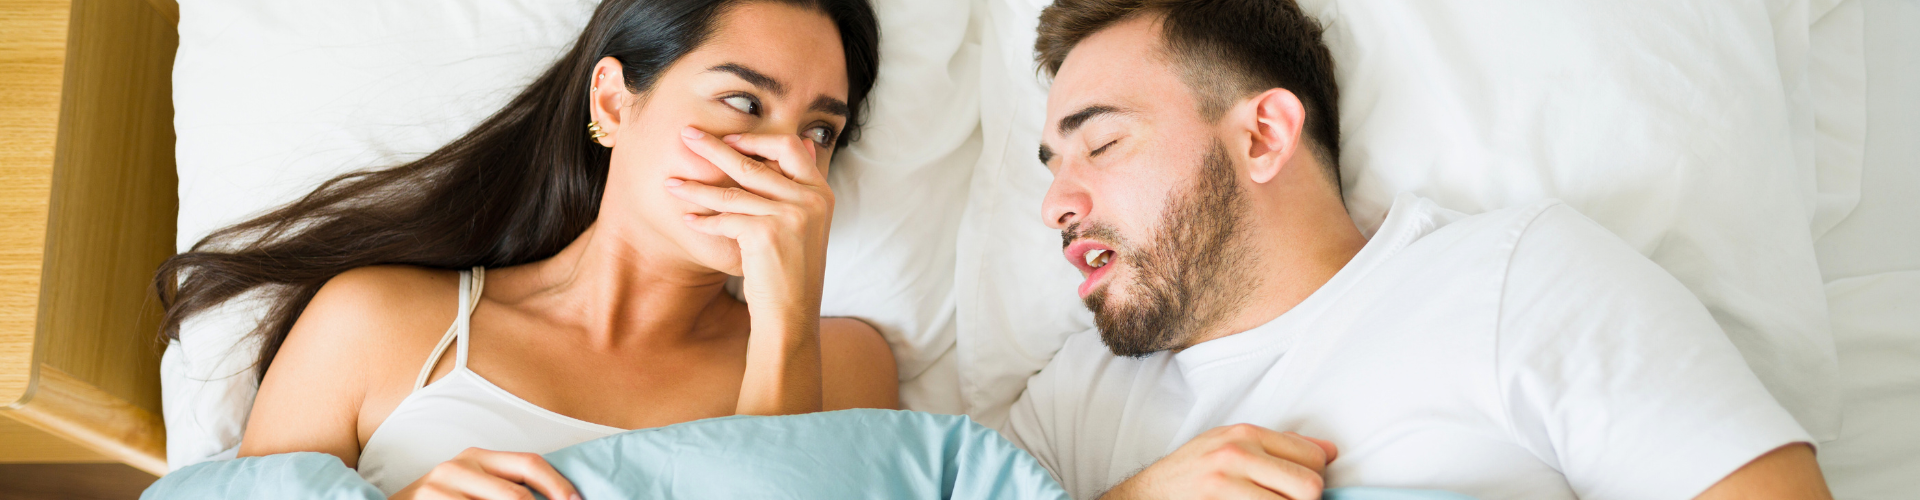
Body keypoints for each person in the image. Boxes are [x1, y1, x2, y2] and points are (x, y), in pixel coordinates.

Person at [1002, 0, 1834, 499]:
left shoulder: (1521, 282)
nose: (1054, 206)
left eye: (1101, 145)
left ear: (1263, 135)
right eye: (1052, 168)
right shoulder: (1069, 406)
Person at [152, 0, 894, 498]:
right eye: (742, 102)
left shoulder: (842, 366)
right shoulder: (375, 323)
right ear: (612, 102)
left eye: (818, 132)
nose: (781, 161)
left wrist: (787, 320)